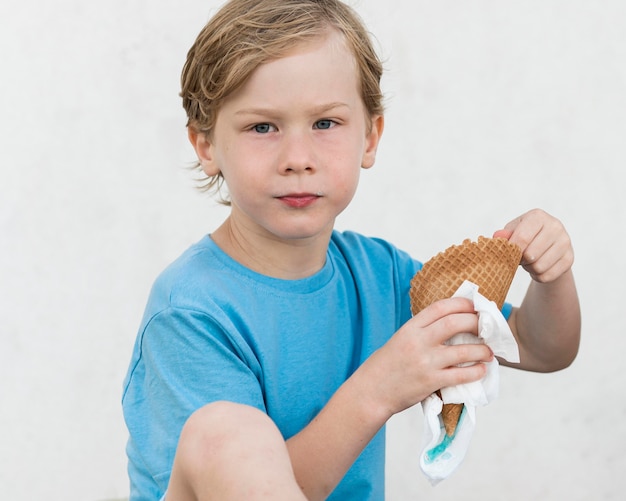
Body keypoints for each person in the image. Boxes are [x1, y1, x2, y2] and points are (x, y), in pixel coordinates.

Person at [121, 0, 581, 499]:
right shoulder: (190, 313)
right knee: (226, 435)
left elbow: (538, 347)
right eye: (262, 127)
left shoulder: (378, 275)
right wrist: (377, 389)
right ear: (206, 145)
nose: (298, 159)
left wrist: (551, 277)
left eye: (325, 124)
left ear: (370, 136)